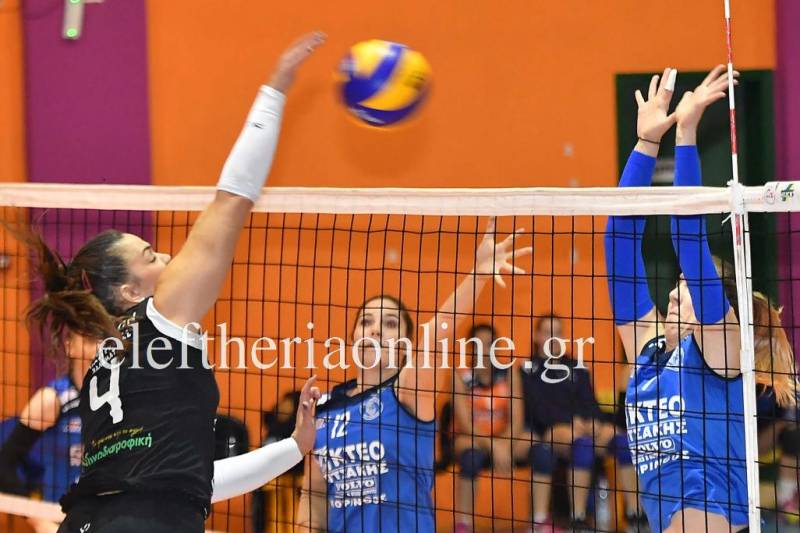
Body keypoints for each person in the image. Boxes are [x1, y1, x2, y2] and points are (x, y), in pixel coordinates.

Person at [7, 32, 326, 533]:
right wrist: (276, 88)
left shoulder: (100, 366)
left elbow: (188, 478)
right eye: (151, 256)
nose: (170, 258)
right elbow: (231, 199)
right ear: (130, 292)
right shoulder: (160, 316)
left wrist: (292, 449)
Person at [605, 65, 797, 532]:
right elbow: (619, 244)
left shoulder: (720, 348)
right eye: (677, 285)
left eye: (688, 287)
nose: (674, 293)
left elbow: (687, 239)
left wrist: (686, 134)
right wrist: (646, 142)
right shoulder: (647, 355)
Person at [296, 218, 532, 532]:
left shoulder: (408, 392)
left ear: (406, 345)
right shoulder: (327, 407)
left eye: (390, 324)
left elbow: (436, 333)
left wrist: (478, 275)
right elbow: (313, 495)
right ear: (353, 337)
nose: (375, 329)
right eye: (366, 321)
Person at [518, 314, 638, 531]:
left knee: (623, 442)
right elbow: (537, 409)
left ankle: (635, 516)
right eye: (548, 332)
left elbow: (590, 402)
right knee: (582, 444)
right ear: (537, 336)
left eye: (558, 333)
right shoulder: (528, 370)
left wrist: (595, 422)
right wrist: (571, 422)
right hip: (550, 430)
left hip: (581, 426)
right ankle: (578, 518)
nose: (553, 338)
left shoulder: (577, 367)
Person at [0, 334, 93, 533]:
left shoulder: (120, 400)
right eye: (90, 339)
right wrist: (39, 522)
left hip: (107, 520)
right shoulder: (52, 399)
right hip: (61, 520)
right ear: (69, 346)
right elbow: (4, 463)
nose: (99, 346)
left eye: (105, 338)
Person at [452, 324, 525, 533]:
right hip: (473, 437)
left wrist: (504, 445)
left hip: (505, 436)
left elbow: (517, 419)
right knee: (471, 457)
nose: (485, 349)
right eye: (479, 344)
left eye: (489, 343)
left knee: (542, 451)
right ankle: (463, 524)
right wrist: (494, 447)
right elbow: (465, 424)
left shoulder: (509, 372)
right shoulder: (461, 375)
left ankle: (538, 521)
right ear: (471, 348)